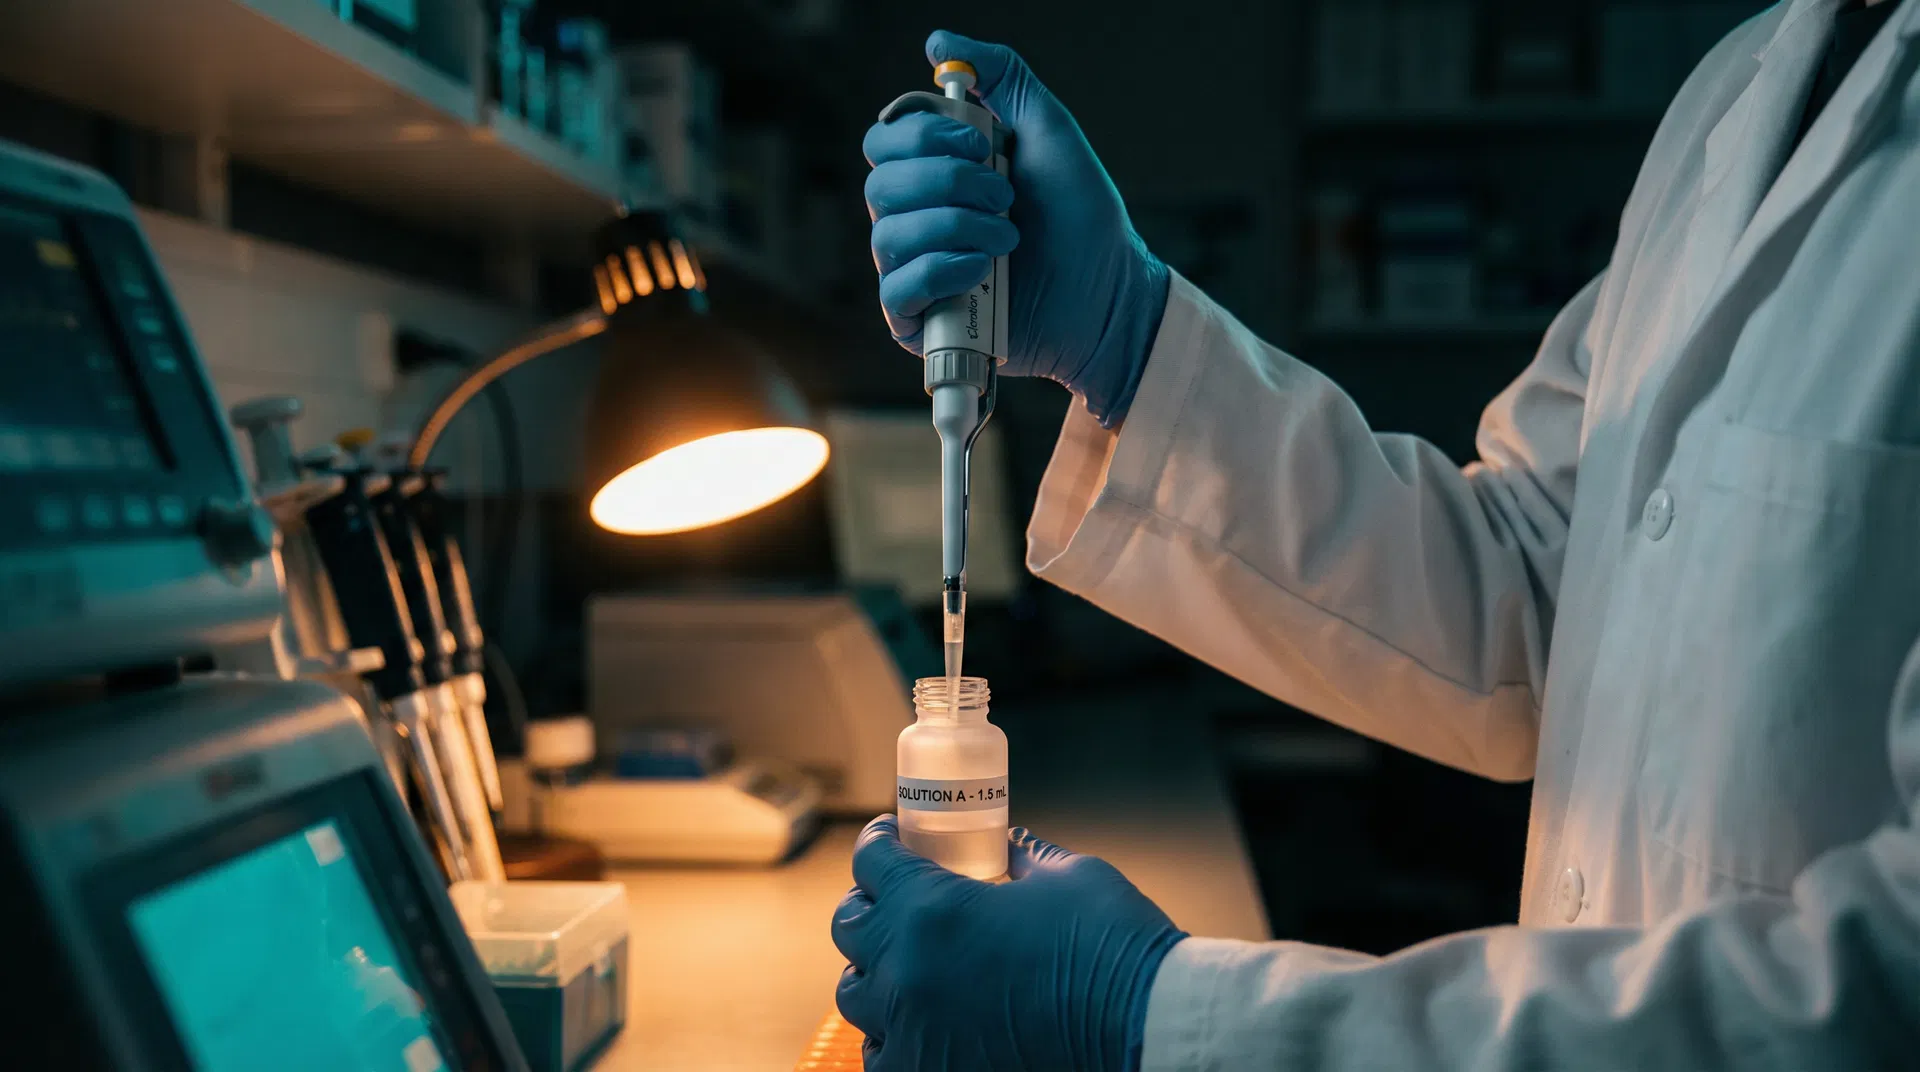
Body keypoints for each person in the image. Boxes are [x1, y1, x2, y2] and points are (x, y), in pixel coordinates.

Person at [831, 2, 1920, 1069]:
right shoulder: (1740, 83)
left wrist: (1156, 1013)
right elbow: (1541, 581)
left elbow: (1889, 981)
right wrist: (1129, 343)